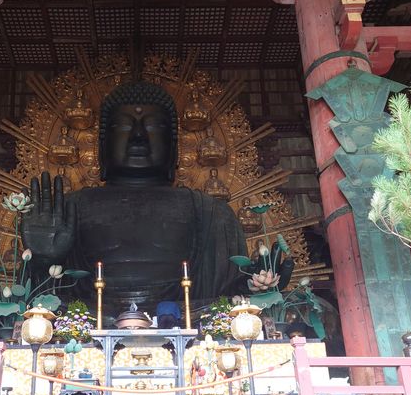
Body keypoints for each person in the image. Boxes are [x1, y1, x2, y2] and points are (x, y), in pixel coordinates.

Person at [22, 80, 247, 311]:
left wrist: (253, 286)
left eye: (153, 127)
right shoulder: (68, 209)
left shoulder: (211, 212)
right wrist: (43, 262)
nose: (138, 136)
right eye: (122, 127)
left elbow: (232, 296)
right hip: (85, 324)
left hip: (189, 321)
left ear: (174, 145)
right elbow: (41, 302)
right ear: (102, 145)